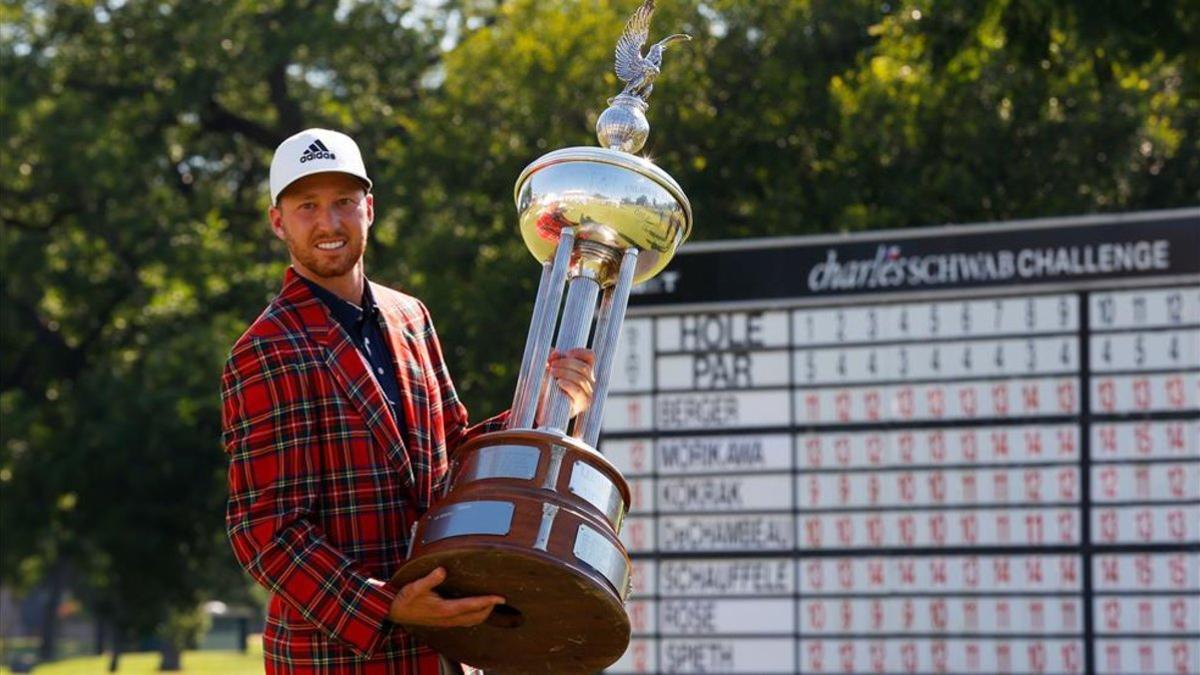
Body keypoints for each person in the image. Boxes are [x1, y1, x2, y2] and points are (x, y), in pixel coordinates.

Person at [221, 128, 596, 674]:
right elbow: (266, 532)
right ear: (279, 221)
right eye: (308, 206)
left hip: (443, 650)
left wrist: (542, 410)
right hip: (338, 656)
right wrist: (387, 605)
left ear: (368, 209)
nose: (329, 223)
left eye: (343, 202)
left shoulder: (410, 317)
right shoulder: (264, 351)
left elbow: (454, 457)